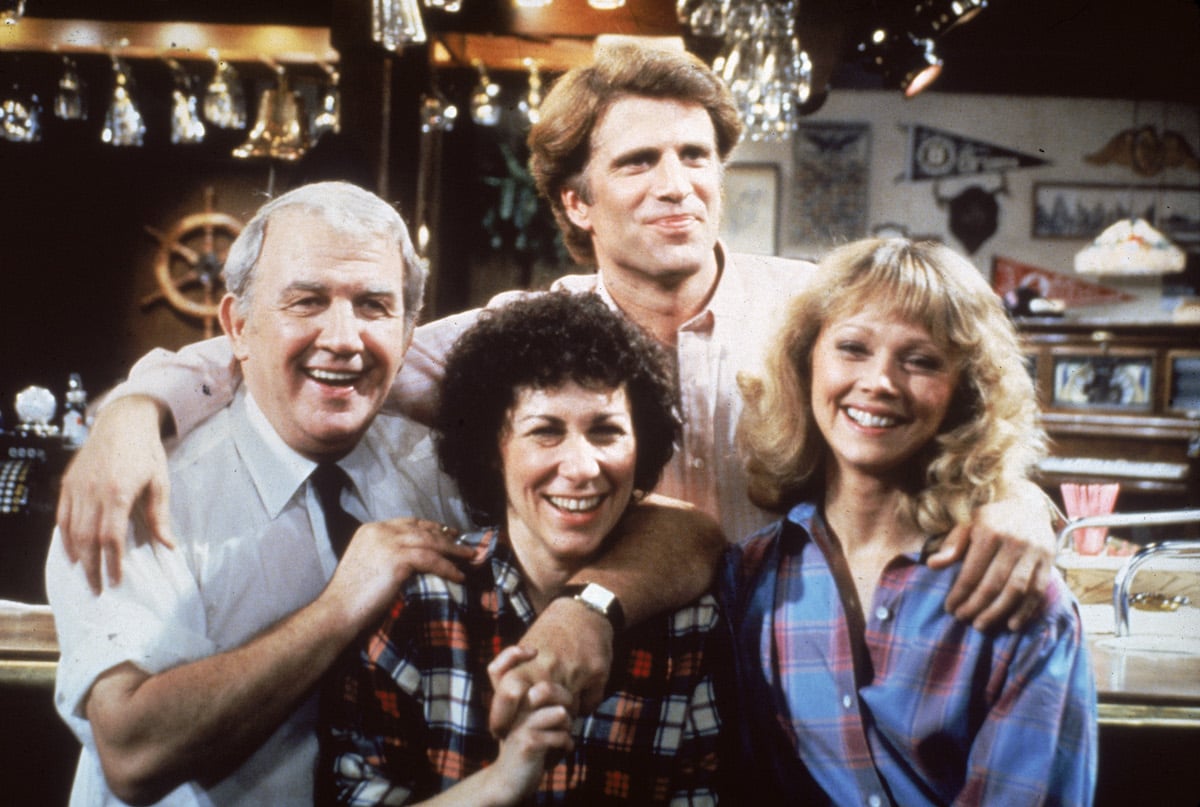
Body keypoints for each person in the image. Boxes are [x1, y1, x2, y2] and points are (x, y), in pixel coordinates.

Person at [55, 43, 1056, 732]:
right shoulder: (521, 339)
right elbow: (324, 350)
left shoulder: (811, 311)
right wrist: (135, 410)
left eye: (697, 156)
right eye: (640, 161)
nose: (680, 183)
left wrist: (1018, 502)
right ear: (576, 199)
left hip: (819, 684)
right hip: (622, 696)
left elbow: (961, 409)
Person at [45, 181, 478, 805]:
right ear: (237, 326)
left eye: (374, 306)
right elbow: (134, 754)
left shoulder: (443, 473)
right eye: (306, 301)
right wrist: (341, 604)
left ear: (411, 331)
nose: (344, 338)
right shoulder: (136, 485)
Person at [722, 238, 1097, 806]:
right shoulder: (753, 577)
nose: (880, 382)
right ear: (805, 365)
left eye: (919, 360)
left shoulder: (1017, 595)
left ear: (964, 394)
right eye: (852, 348)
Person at [319, 292, 724, 805]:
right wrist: (502, 782)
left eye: (606, 432)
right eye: (545, 432)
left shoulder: (690, 626)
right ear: (493, 450)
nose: (581, 468)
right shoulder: (420, 604)